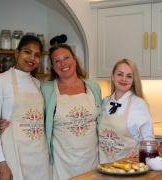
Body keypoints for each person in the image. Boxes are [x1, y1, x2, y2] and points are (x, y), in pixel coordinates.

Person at [0, 35, 51, 180]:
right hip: (14, 156)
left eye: (37, 55)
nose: (32, 58)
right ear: (17, 53)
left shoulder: (37, 84)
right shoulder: (0, 81)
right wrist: (1, 164)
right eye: (27, 52)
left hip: (39, 156)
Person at [41, 43, 102, 180]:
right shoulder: (46, 90)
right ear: (52, 66)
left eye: (66, 58)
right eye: (57, 61)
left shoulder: (93, 87)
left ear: (74, 59)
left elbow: (103, 121)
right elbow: (33, 114)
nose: (63, 63)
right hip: (62, 164)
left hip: (92, 160)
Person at [98, 58, 155, 164]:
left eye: (129, 76)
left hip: (128, 166)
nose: (124, 79)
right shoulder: (104, 103)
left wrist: (140, 152)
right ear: (112, 76)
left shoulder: (138, 104)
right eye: (120, 74)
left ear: (133, 81)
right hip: (103, 166)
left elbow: (149, 139)